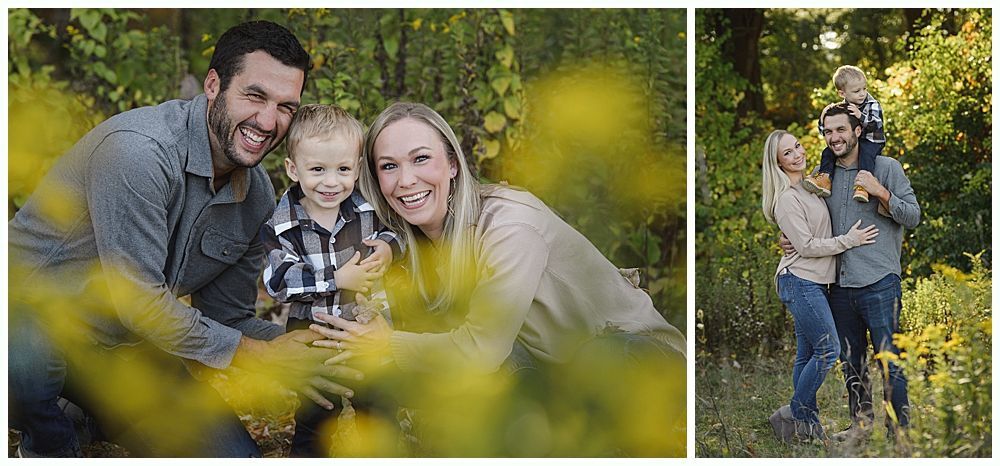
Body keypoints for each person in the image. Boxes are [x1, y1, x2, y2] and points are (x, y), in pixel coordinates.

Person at [8, 21, 358, 457]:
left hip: (117, 348)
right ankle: (49, 442)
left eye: (286, 106)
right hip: (30, 317)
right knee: (24, 356)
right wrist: (258, 356)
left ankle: (87, 411)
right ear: (213, 84)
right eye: (255, 96)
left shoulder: (256, 197)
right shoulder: (139, 152)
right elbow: (139, 302)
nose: (269, 121)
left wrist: (304, 347)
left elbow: (227, 320)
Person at [306, 102, 687, 455]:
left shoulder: (508, 226)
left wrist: (388, 345)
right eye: (388, 166)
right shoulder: (409, 245)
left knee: (591, 359)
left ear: (452, 164)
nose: (405, 180)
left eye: (421, 159)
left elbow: (480, 349)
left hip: (638, 359)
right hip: (556, 374)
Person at [259, 103, 404, 456]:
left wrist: (388, 248)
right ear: (293, 169)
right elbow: (279, 281)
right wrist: (337, 278)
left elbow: (399, 232)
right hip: (315, 343)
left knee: (380, 416)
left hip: (369, 335)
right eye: (317, 169)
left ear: (356, 168)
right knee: (315, 424)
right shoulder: (282, 225)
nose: (331, 181)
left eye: (342, 169)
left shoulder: (368, 209)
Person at [782, 103, 920, 443]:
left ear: (858, 131)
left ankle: (899, 433)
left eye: (841, 129)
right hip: (838, 286)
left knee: (891, 362)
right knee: (851, 363)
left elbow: (913, 215)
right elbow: (802, 215)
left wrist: (881, 191)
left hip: (880, 282)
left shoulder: (886, 168)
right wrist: (790, 237)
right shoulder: (822, 177)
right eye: (828, 131)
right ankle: (861, 428)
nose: (834, 137)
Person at [760, 130, 879, 443]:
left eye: (797, 145)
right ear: (777, 162)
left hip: (814, 281)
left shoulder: (812, 185)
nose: (797, 154)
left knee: (807, 354)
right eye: (787, 153)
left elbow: (805, 235)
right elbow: (808, 245)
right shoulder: (786, 198)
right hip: (799, 280)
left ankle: (807, 429)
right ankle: (795, 413)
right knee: (828, 350)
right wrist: (849, 241)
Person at [803, 65, 886, 202]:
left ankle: (863, 186)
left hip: (872, 141)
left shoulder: (872, 104)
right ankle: (825, 179)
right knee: (827, 152)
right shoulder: (843, 108)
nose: (862, 94)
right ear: (842, 94)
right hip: (854, 141)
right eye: (856, 91)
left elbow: (876, 125)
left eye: (864, 89)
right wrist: (823, 117)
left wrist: (860, 116)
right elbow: (825, 131)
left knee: (865, 154)